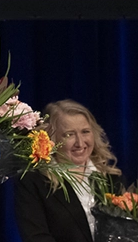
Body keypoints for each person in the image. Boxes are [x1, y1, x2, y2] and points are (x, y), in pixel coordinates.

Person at [15, 99, 124, 242]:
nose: (80, 143)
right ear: (51, 139)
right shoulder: (34, 181)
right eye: (69, 134)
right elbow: (36, 237)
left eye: (85, 132)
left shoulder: (110, 177)